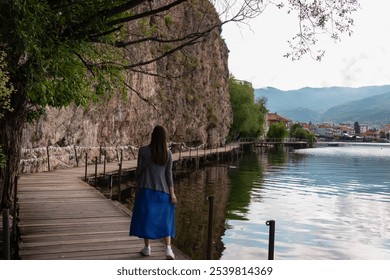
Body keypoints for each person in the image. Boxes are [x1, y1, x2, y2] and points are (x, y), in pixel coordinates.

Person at [129, 125, 177, 260]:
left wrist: (136, 182)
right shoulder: (168, 153)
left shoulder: (143, 151)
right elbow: (169, 175)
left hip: (145, 191)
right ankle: (168, 249)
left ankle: (147, 248)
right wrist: (172, 194)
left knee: (146, 219)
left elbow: (139, 171)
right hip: (163, 193)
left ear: (152, 136)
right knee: (166, 219)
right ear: (165, 138)